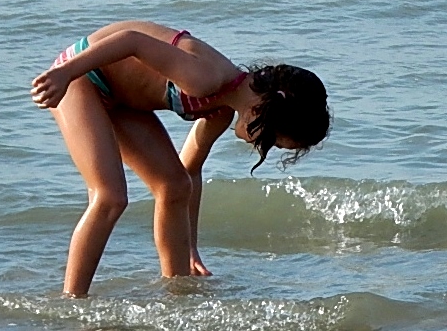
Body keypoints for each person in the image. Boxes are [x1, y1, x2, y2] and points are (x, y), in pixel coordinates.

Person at [30, 20, 330, 297]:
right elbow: (131, 41)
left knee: (174, 186)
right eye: (274, 141)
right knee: (110, 196)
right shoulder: (206, 78)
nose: (266, 147)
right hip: (82, 76)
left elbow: (190, 171)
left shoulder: (219, 110)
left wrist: (190, 248)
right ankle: (72, 299)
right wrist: (65, 73)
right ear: (264, 111)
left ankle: (176, 290)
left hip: (123, 100)